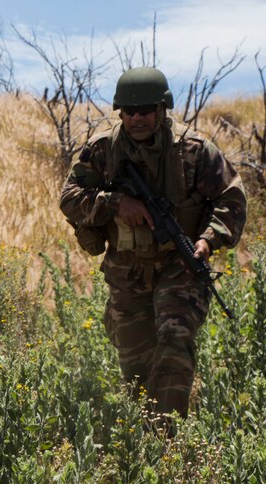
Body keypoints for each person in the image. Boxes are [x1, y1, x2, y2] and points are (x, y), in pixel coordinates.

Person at [60, 66, 246, 417]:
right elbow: (69, 197)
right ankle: (142, 439)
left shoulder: (194, 150)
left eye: (145, 110)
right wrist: (114, 203)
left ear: (162, 110)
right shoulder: (103, 149)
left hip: (181, 263)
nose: (137, 118)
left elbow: (231, 199)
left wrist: (207, 241)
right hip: (127, 269)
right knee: (134, 363)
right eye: (129, 112)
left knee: (175, 337)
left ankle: (170, 439)